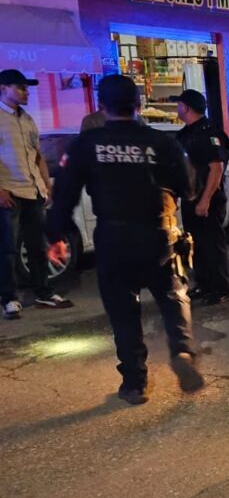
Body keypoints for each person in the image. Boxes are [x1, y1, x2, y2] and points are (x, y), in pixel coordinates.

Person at [46, 75, 202, 405]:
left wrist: (57, 235)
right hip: (157, 235)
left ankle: (135, 383)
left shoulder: (88, 143)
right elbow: (189, 188)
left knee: (123, 312)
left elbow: (65, 193)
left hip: (112, 237)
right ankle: (182, 351)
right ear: (139, 104)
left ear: (102, 106)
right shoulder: (160, 142)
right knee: (173, 295)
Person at [0, 69, 73, 320]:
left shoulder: (28, 119)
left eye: (27, 88)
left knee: (37, 245)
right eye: (20, 87)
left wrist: (46, 185)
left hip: (33, 192)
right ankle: (9, 298)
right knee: (8, 248)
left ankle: (43, 291)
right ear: (3, 89)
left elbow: (38, 156)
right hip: (9, 192)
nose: (26, 92)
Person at [173, 90, 229, 306]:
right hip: (191, 198)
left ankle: (221, 287)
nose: (177, 108)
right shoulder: (185, 134)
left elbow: (216, 169)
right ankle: (204, 284)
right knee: (196, 244)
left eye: (179, 104)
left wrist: (205, 200)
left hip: (209, 200)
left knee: (212, 245)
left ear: (186, 107)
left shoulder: (210, 133)